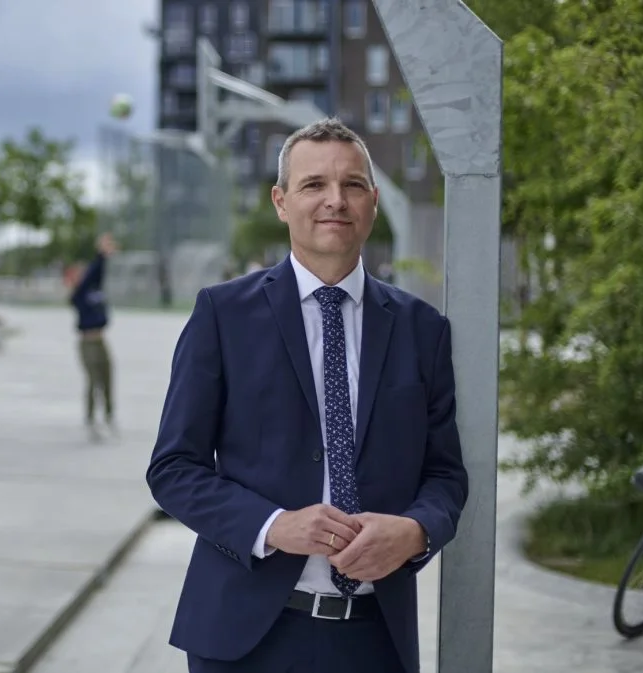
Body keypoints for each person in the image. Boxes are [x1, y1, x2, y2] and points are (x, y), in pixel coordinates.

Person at [145, 118, 469, 673]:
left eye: (353, 185)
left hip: (374, 642)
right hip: (242, 640)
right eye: (314, 184)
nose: (335, 201)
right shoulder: (223, 315)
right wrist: (273, 525)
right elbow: (174, 468)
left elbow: (445, 476)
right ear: (281, 201)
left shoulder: (422, 330)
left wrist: (414, 531)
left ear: (372, 201)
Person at [69, 232, 118, 441]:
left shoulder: (94, 290)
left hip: (100, 339)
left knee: (107, 376)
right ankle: (90, 420)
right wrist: (100, 254)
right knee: (93, 380)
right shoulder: (78, 296)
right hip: (87, 342)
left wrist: (105, 256)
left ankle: (108, 416)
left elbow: (98, 276)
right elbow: (91, 274)